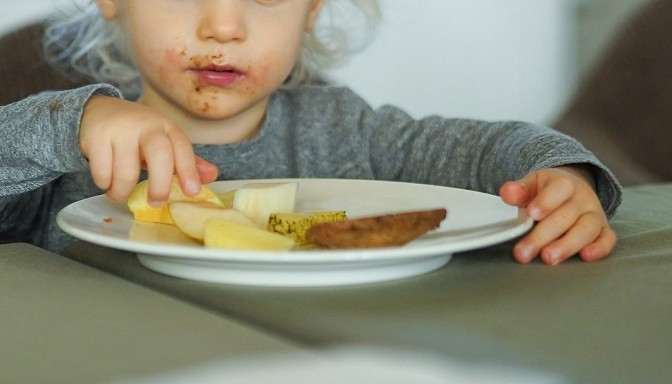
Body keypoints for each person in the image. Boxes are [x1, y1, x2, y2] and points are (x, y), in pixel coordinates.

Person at [0, 0, 621, 265]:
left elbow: (484, 148)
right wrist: (72, 123)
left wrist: (560, 174)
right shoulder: (75, 146)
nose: (223, 25)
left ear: (312, 7)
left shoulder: (342, 129)